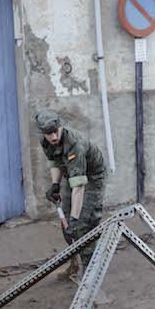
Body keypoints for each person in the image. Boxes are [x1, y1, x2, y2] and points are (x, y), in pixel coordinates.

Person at [37, 110, 107, 273]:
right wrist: (55, 185)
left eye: (55, 131)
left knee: (83, 225)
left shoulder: (75, 144)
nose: (53, 137)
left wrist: (76, 218)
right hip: (73, 175)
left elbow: (79, 186)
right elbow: (54, 161)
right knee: (66, 224)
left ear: (60, 126)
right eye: (49, 134)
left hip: (91, 178)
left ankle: (91, 276)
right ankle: (74, 263)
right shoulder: (46, 140)